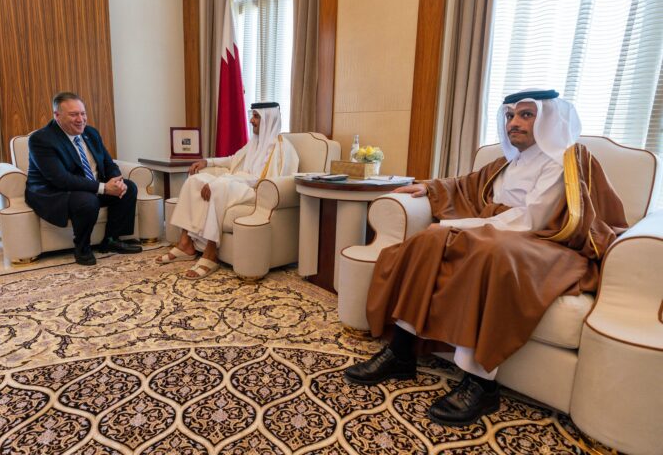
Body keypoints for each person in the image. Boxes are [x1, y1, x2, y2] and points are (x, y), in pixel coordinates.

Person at [344, 89, 628, 426]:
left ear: (549, 119)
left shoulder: (566, 160)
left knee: (489, 252)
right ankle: (401, 351)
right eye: (510, 116)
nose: (514, 123)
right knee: (429, 239)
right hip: (498, 233)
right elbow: (467, 185)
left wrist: (464, 225)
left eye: (526, 115)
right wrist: (429, 188)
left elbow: (533, 220)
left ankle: (480, 382)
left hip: (549, 241)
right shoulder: (510, 162)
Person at [156, 102, 298, 278]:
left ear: (269, 119)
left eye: (256, 117)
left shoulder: (283, 148)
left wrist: (225, 180)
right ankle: (185, 243)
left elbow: (270, 181)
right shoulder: (254, 143)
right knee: (194, 181)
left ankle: (210, 254)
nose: (251, 121)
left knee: (219, 187)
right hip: (237, 183)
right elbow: (233, 160)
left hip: (256, 190)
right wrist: (207, 162)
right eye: (252, 116)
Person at [26, 92, 142, 266]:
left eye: (83, 113)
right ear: (57, 116)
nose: (80, 119)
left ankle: (112, 239)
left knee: (129, 187)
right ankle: (82, 248)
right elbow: (61, 179)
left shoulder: (91, 133)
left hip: (90, 186)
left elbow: (108, 163)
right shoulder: (41, 139)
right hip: (57, 192)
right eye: (73, 114)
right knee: (87, 200)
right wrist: (103, 188)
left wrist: (116, 181)